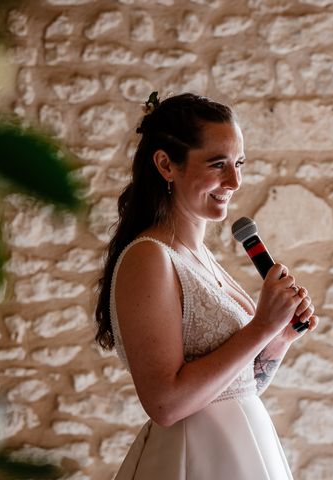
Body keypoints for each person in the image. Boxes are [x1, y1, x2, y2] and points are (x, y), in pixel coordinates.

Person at [94, 92, 319, 479]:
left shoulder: (199, 256)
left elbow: (237, 386)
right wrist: (260, 326)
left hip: (242, 451)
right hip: (192, 459)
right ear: (166, 165)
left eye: (239, 163)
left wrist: (278, 339)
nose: (235, 180)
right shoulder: (149, 257)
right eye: (218, 164)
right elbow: (165, 404)